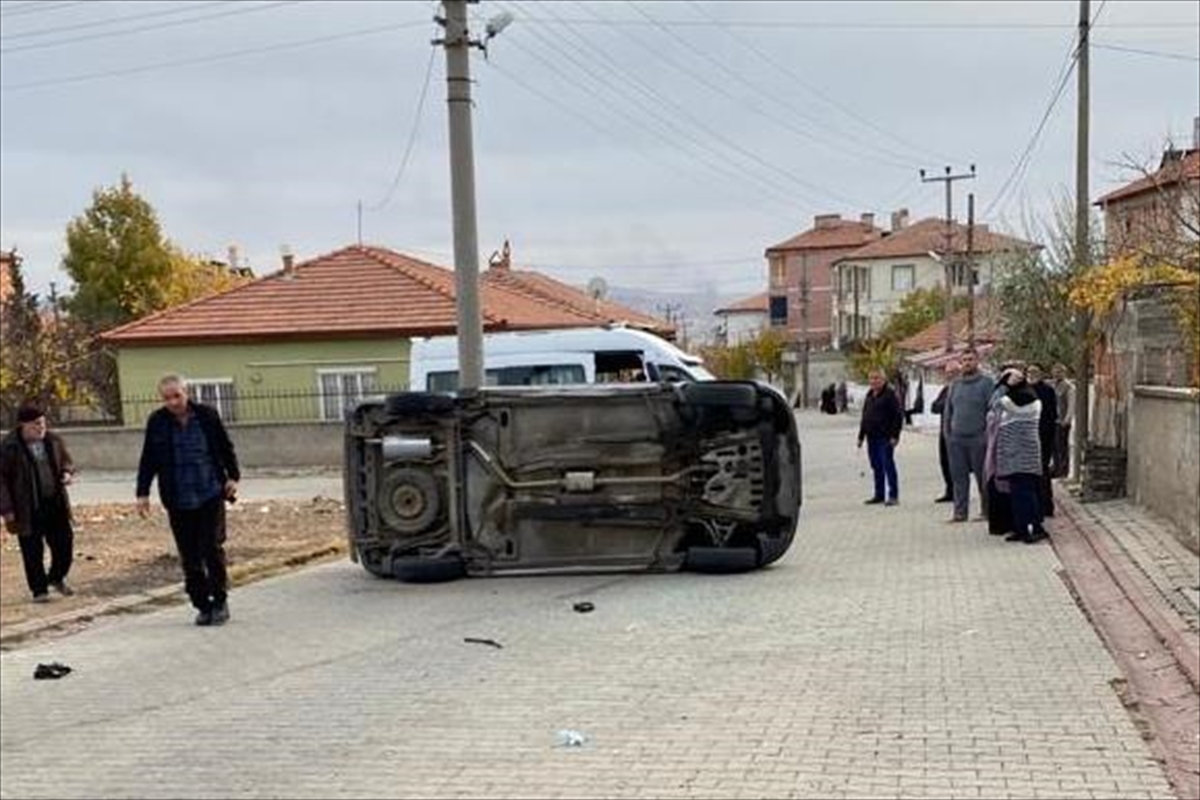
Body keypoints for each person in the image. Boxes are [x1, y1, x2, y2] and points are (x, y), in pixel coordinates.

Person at [136, 375, 240, 627]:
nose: (173, 402)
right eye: (167, 398)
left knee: (211, 548)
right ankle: (202, 603)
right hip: (177, 496)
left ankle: (220, 600)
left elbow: (225, 447)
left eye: (177, 396)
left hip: (209, 492)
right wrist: (142, 492)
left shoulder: (206, 416)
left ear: (187, 393)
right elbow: (148, 458)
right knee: (190, 555)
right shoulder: (158, 422)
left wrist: (233, 476)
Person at [1, 404, 78, 603]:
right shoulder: (9, 447)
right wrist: (7, 510)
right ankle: (39, 590)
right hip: (26, 507)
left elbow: (67, 461)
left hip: (55, 502)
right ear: (23, 426)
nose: (41, 427)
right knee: (32, 550)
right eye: (36, 424)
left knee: (64, 544)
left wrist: (67, 473)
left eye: (43, 423)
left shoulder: (53, 440)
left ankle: (56, 577)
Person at [992, 369, 1049, 544]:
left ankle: (1036, 528)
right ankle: (1021, 528)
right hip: (1018, 454)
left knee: (1025, 494)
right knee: (1019, 494)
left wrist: (1004, 385)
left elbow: (994, 402)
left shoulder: (1017, 400)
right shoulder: (1027, 397)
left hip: (1021, 454)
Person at [945, 349, 995, 523]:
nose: (967, 363)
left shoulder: (987, 383)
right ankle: (960, 513)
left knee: (983, 478)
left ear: (977, 361)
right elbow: (948, 412)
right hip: (957, 440)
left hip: (978, 439)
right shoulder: (955, 385)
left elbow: (993, 411)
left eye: (971, 359)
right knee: (958, 478)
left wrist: (986, 437)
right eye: (964, 360)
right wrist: (948, 436)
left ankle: (987, 511)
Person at [857, 369, 903, 506]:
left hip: (885, 437)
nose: (874, 381)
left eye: (877, 378)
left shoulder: (890, 395)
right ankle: (879, 494)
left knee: (888, 465)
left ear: (883, 380)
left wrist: (895, 435)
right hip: (872, 437)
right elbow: (865, 417)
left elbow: (898, 416)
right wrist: (861, 436)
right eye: (871, 378)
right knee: (876, 466)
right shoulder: (870, 395)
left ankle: (893, 495)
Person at [1026, 364, 1058, 517]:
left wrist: (1050, 437)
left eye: (1035, 372)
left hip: (1044, 437)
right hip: (1026, 438)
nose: (1032, 374)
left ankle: (1046, 506)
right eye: (1029, 372)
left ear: (1041, 374)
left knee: (1043, 471)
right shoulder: (1023, 390)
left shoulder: (1048, 391)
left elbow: (1052, 415)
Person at [930, 361, 961, 503]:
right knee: (945, 462)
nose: (950, 375)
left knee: (958, 464)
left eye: (953, 372)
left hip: (958, 431)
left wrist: (947, 405)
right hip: (944, 431)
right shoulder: (946, 389)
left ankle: (959, 491)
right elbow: (934, 407)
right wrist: (946, 404)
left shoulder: (962, 388)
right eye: (948, 373)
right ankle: (949, 490)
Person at [1052, 363, 1075, 478]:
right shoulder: (1053, 385)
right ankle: (1056, 468)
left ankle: (1063, 470)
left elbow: (1071, 404)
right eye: (1055, 372)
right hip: (1054, 420)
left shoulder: (1068, 386)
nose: (1056, 374)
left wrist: (1068, 418)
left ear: (1064, 373)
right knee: (1054, 447)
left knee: (1062, 446)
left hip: (1062, 421)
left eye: (1059, 372)